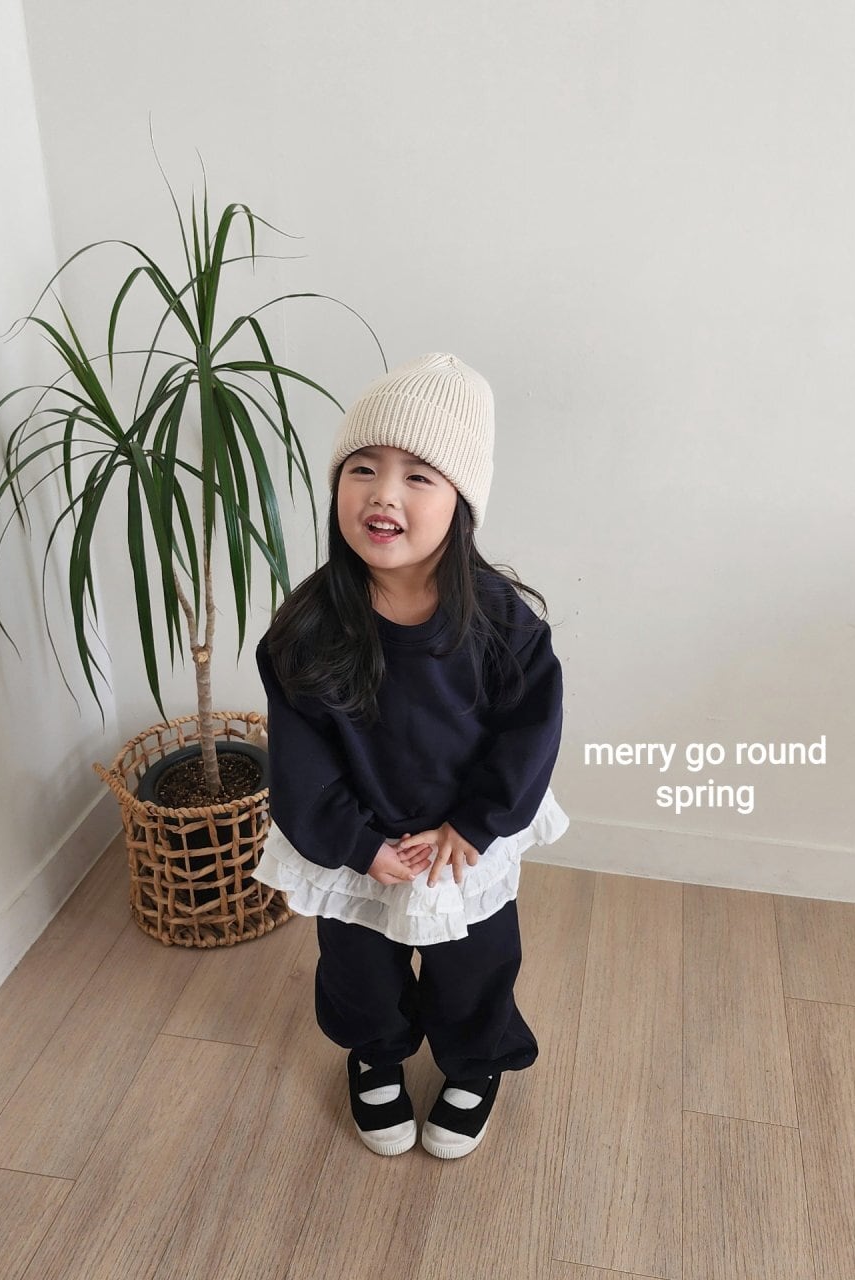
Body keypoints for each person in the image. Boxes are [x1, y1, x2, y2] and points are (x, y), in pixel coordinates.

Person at [251, 352, 569, 1160]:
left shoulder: (501, 623)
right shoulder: (306, 628)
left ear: (461, 502)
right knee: (358, 967)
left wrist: (476, 824)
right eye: (362, 468)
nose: (383, 493)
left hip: (461, 845)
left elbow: (530, 733)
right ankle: (376, 1053)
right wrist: (356, 844)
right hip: (359, 845)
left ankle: (475, 1060)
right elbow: (299, 759)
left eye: (418, 475)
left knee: (476, 965)